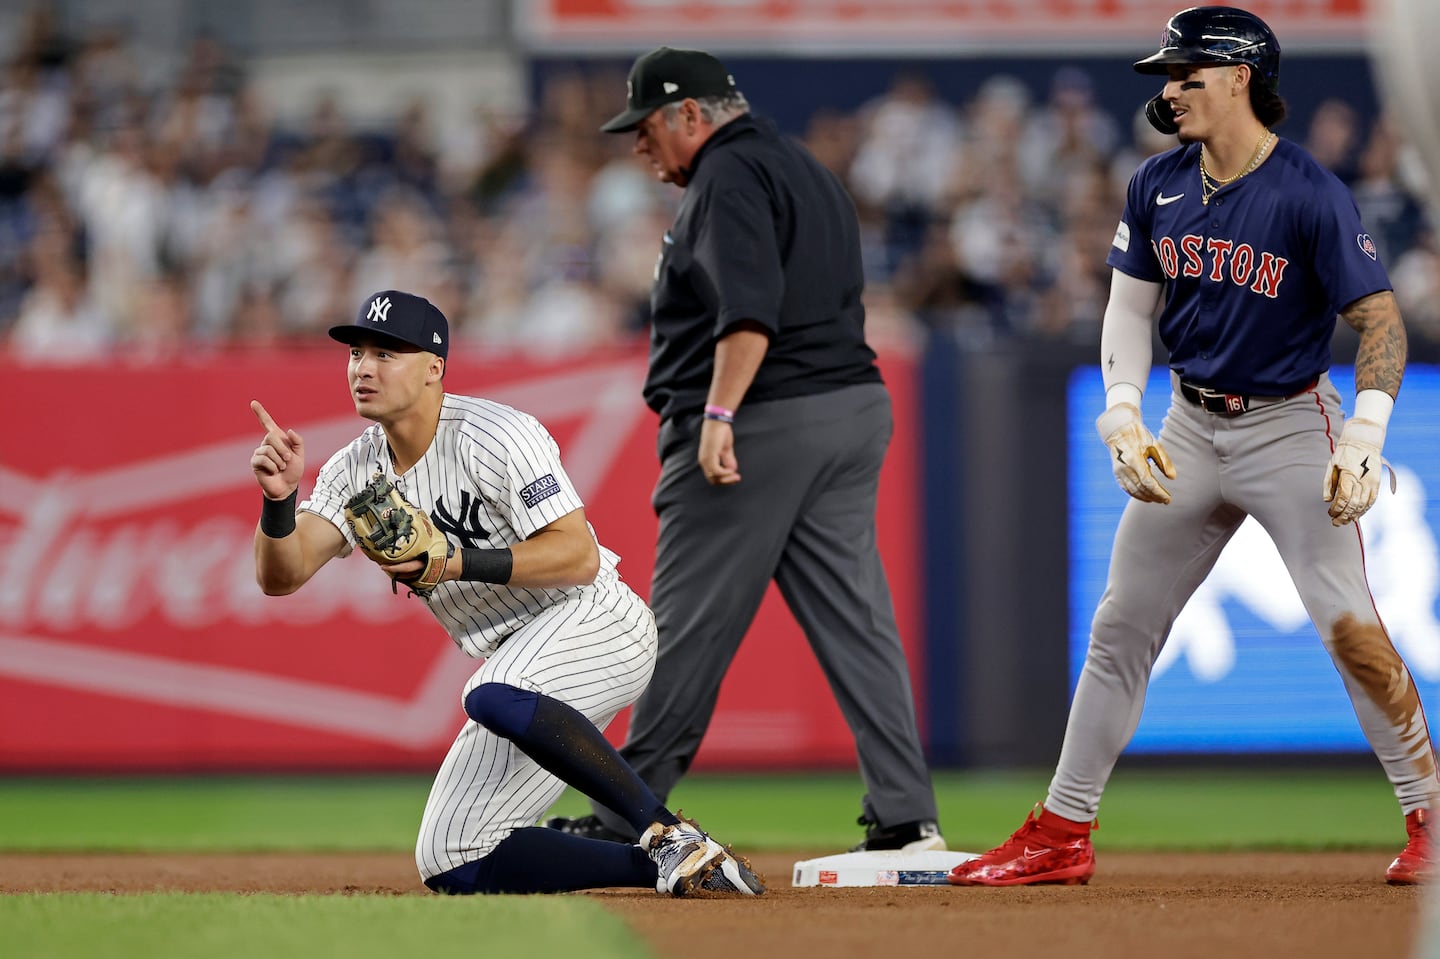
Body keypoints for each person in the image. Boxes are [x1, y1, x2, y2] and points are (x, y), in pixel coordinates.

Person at [949, 5, 1437, 888]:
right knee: (1119, 627)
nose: (1169, 90)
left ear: (1241, 76)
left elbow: (1380, 322)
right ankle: (1062, 829)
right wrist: (1123, 411)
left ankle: (1431, 814)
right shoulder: (1158, 183)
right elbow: (1130, 310)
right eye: (1168, 76)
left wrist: (1365, 433)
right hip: (1189, 423)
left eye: (1186, 74)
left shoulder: (1309, 191)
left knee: (1351, 629)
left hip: (1291, 423)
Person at [545, 46, 944, 852]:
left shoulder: (726, 176)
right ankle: (907, 813)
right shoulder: (802, 166)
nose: (638, 145)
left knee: (685, 626)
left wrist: (721, 411)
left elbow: (751, 309)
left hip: (762, 421)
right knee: (855, 618)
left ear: (692, 115)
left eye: (648, 125)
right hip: (850, 408)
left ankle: (631, 808)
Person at [248, 288, 764, 897]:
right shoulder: (350, 469)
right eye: (357, 353)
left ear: (434, 367)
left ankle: (663, 830)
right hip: (522, 669)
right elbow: (281, 576)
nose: (363, 367)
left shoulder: (495, 435)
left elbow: (578, 554)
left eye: (387, 353)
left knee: (491, 692)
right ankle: (671, 867)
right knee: (452, 859)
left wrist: (454, 559)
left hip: (597, 619)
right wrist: (279, 502)